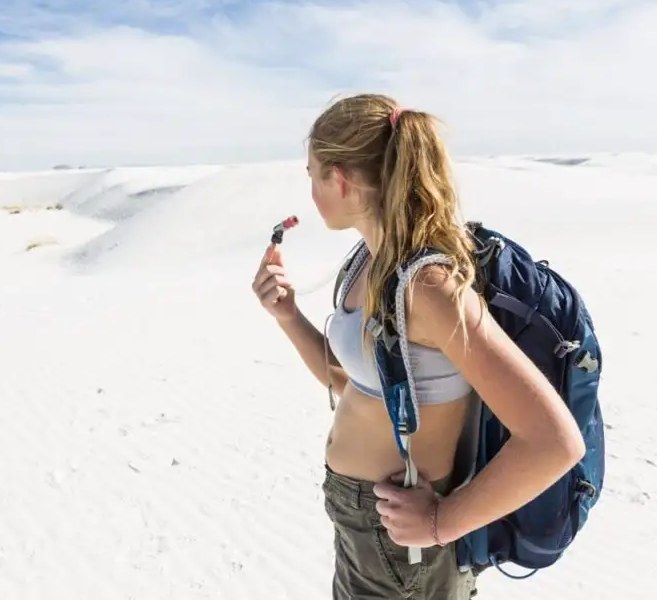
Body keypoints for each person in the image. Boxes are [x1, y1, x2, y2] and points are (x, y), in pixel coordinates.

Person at [250, 93, 586, 599]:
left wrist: (440, 524)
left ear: (341, 179)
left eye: (313, 174)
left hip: (405, 544)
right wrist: (287, 316)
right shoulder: (369, 261)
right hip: (366, 523)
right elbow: (354, 386)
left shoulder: (428, 287)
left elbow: (554, 442)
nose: (312, 189)